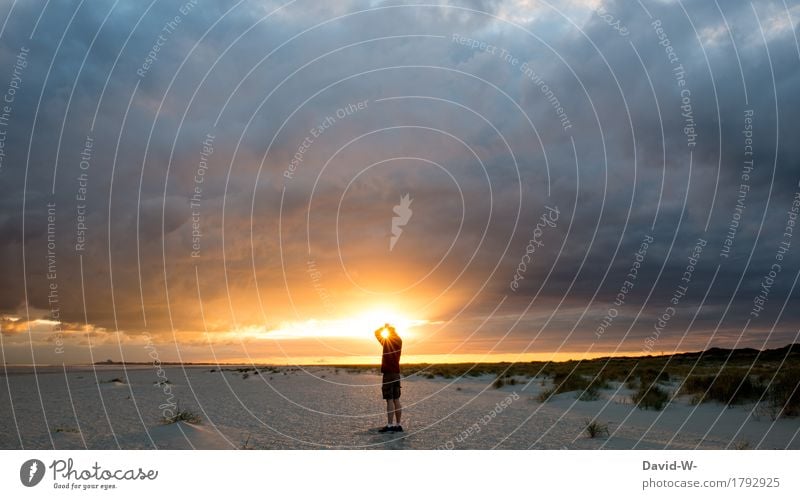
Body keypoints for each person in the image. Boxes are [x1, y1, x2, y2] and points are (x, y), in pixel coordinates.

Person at [374, 323, 403, 432]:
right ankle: (398, 425)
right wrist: (389, 329)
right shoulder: (399, 341)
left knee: (389, 399)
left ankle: (390, 425)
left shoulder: (387, 342)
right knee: (397, 399)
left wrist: (383, 328)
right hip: (396, 373)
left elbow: (376, 333)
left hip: (388, 374)